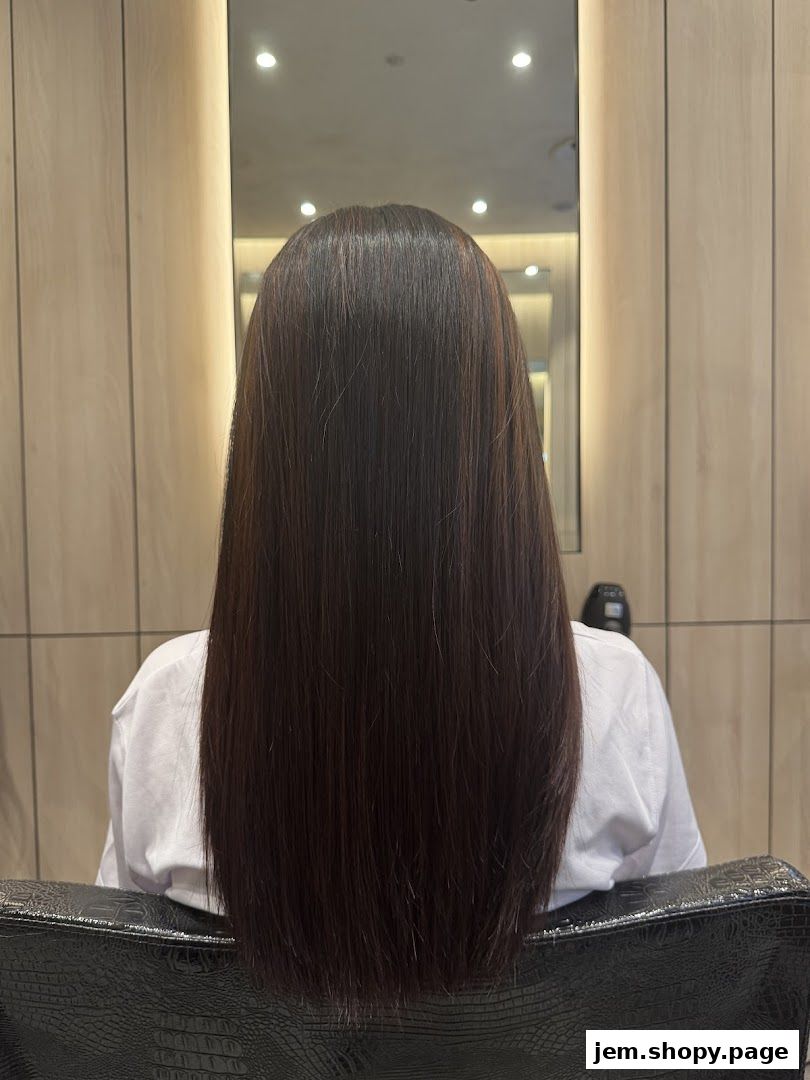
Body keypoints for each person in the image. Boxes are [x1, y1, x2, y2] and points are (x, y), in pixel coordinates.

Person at [96, 204, 704, 1018]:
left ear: (264, 442)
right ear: (504, 439)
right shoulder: (615, 694)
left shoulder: (169, 703)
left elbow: (120, 1013)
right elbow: (698, 1004)